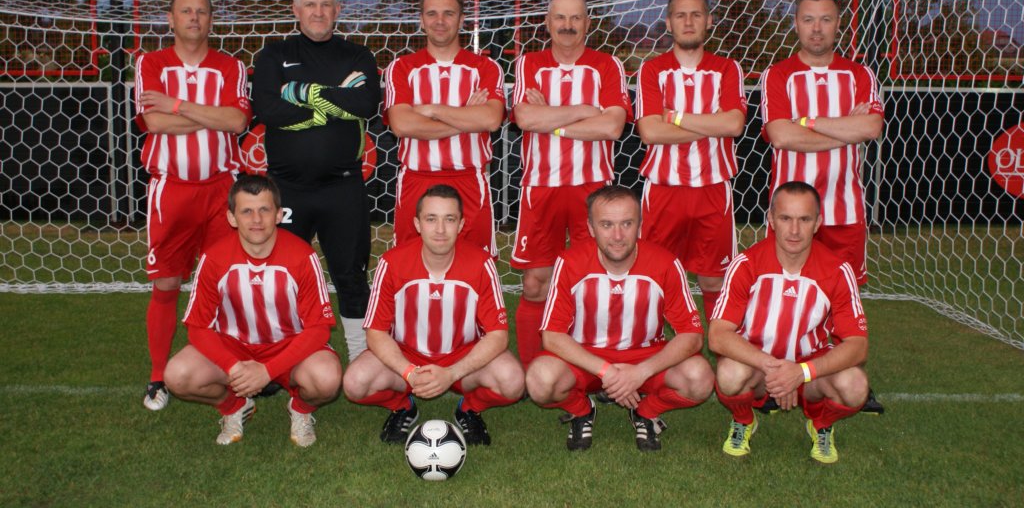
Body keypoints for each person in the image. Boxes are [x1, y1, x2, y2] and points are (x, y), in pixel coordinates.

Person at [760, 0, 884, 414]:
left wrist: (808, 122)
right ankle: (778, 380)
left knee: (844, 300)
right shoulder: (778, 75)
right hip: (791, 214)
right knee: (782, 294)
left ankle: (843, 377)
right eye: (809, 19)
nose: (817, 28)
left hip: (844, 209)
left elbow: (870, 128)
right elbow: (781, 136)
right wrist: (843, 128)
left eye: (826, 19)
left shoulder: (859, 75)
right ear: (796, 24)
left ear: (838, 25)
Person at [251, 0, 381, 362]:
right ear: (296, 10)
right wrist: (332, 103)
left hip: (343, 187)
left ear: (338, 10)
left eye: (326, 5)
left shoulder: (358, 56)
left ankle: (360, 361)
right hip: (286, 189)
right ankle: (280, 359)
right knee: (280, 276)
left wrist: (300, 92)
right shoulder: (273, 55)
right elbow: (269, 109)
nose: (318, 12)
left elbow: (365, 104)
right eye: (310, 4)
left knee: (351, 276)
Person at [134, 0, 252, 411]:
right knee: (167, 282)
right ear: (171, 19)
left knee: (227, 283)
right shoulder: (151, 63)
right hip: (172, 189)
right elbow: (153, 122)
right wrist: (208, 115)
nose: (194, 18)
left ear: (211, 20)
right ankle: (157, 376)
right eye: (185, 11)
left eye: (201, 11)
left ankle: (235, 366)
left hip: (222, 189)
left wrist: (177, 105)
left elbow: (236, 121)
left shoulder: (230, 66)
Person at [525, 186, 713, 452]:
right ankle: (582, 410)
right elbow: (552, 336)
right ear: (591, 228)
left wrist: (640, 373)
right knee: (540, 380)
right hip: (587, 358)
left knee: (700, 379)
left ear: (640, 225)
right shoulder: (570, 262)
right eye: (606, 224)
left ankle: (645, 412)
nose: (617, 235)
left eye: (627, 223)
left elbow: (692, 336)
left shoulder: (665, 263)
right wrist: (609, 372)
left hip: (645, 357)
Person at [163, 175, 343, 447]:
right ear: (232, 218)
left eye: (264, 210)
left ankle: (301, 409)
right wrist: (233, 366)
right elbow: (198, 327)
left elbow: (319, 329)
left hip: (288, 348)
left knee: (327, 378)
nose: (256, 219)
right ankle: (235, 407)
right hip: (234, 347)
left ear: (279, 215)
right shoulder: (214, 257)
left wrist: (267, 371)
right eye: (246, 211)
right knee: (178, 375)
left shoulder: (302, 256)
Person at [343, 185, 524, 446]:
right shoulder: (391, 262)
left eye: (449, 219)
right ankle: (403, 407)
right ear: (417, 224)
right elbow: (375, 332)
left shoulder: (481, 263)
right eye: (431, 219)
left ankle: (469, 409)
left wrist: (451, 373)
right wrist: (409, 372)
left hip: (462, 355)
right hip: (406, 354)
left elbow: (498, 335)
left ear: (461, 224)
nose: (440, 229)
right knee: (355, 383)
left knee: (513, 381)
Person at [509, 0, 632, 367]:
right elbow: (525, 119)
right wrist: (583, 111)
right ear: (547, 23)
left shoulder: (607, 65)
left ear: (587, 24)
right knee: (536, 284)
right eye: (560, 18)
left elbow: (612, 127)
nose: (567, 25)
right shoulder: (529, 63)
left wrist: (552, 120)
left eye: (576, 18)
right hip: (541, 187)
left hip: (594, 192)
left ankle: (596, 369)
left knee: (595, 282)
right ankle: (533, 371)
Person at [709, 181, 869, 463]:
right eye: (785, 218)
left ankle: (821, 425)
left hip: (810, 370)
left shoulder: (837, 270)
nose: (794, 230)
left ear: (818, 223)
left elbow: (858, 346)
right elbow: (718, 336)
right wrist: (776, 368)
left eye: (804, 219)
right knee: (729, 374)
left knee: (855, 385)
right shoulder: (746, 264)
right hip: (760, 367)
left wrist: (801, 372)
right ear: (771, 220)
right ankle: (743, 420)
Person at [634, 0, 747, 321]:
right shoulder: (652, 70)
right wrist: (712, 123)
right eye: (680, 15)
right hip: (663, 190)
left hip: (713, 189)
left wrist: (674, 117)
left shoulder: (727, 69)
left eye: (696, 14)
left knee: (715, 280)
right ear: (669, 23)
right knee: (656, 277)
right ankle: (655, 346)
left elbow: (734, 125)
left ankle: (720, 348)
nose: (688, 22)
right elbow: (650, 132)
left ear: (709, 21)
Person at [383, 0, 505, 255]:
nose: (440, 21)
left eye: (448, 13)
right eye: (432, 14)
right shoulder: (401, 68)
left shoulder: (485, 67)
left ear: (461, 20)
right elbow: (402, 125)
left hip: (469, 180)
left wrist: (431, 109)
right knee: (410, 265)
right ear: (421, 21)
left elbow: (490, 119)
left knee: (475, 265)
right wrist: (465, 116)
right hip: (416, 179)